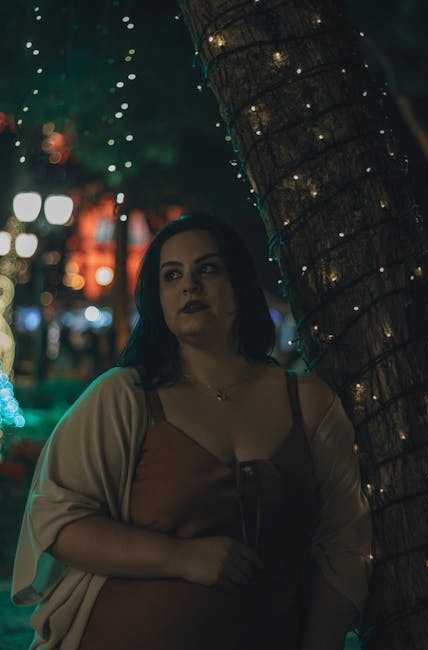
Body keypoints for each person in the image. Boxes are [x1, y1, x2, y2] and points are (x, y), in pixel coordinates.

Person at [12, 213, 373, 649]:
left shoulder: (308, 403)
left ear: (239, 282)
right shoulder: (126, 396)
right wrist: (179, 557)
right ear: (158, 299)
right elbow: (56, 520)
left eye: (208, 269)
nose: (190, 286)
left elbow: (344, 544)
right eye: (172, 275)